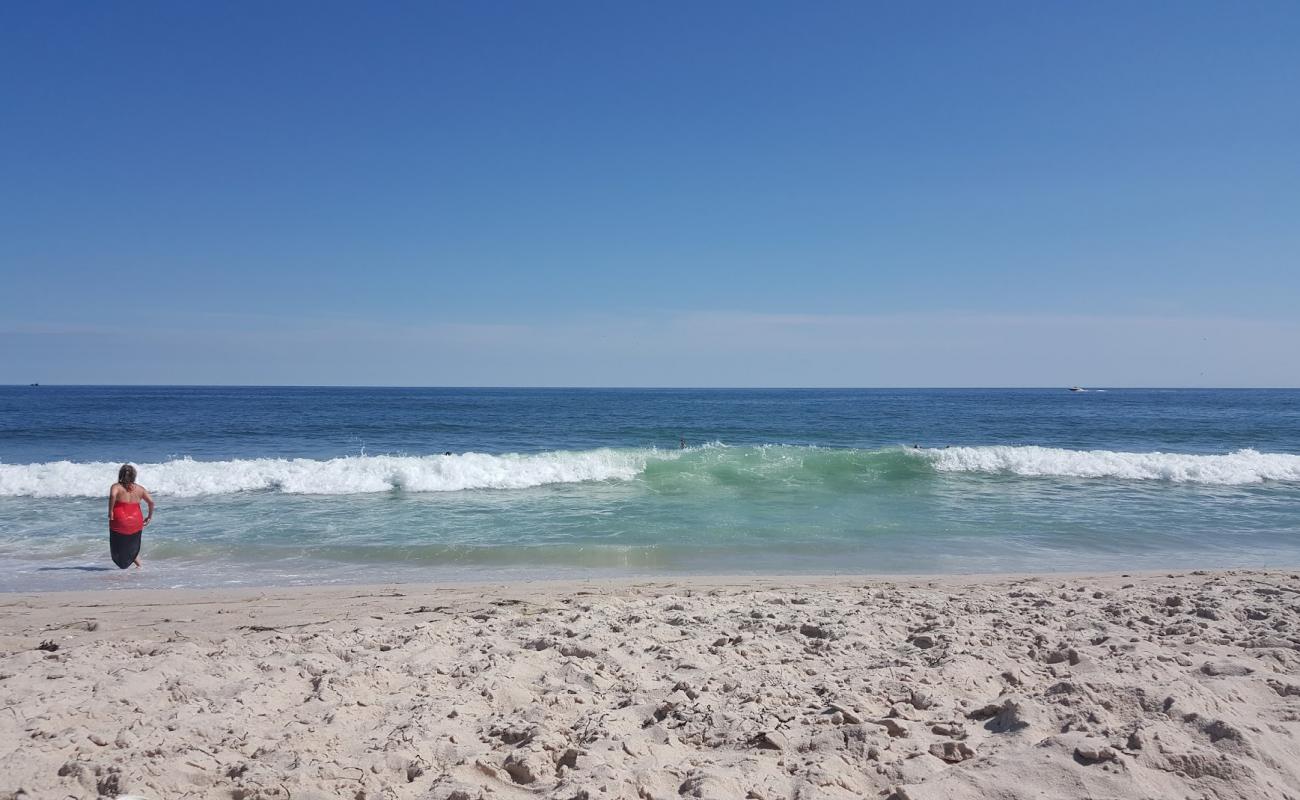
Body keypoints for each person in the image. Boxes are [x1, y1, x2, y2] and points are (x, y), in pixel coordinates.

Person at [108, 464, 154, 569]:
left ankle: (126, 565)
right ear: (134, 476)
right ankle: (139, 566)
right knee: (132, 544)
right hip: (136, 520)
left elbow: (112, 496)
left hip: (119, 519)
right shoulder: (140, 489)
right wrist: (149, 516)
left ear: (120, 474)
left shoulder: (116, 487)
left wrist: (110, 511)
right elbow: (151, 502)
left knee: (118, 544)